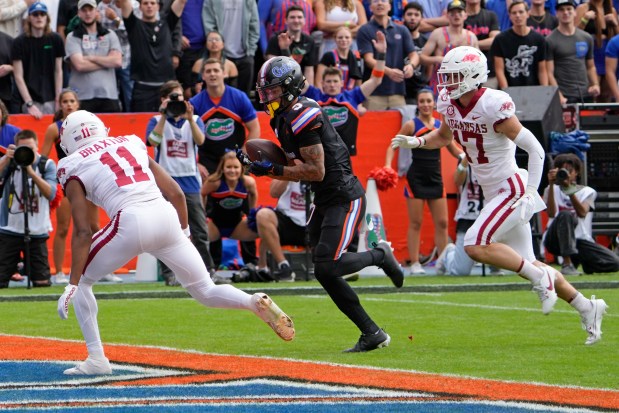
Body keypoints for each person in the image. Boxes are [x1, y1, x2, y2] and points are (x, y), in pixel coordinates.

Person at [391, 45, 608, 346]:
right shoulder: (450, 103)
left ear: (472, 76)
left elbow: (535, 149)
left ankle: (541, 280)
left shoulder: (493, 104)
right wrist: (416, 142)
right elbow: (443, 137)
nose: (448, 83)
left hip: (512, 187)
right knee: (529, 263)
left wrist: (532, 191)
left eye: (455, 76)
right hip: (494, 191)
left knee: (474, 243)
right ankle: (587, 306)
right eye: (447, 76)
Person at [55, 110, 295, 375]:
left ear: (68, 141)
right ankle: (253, 302)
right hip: (166, 215)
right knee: (205, 290)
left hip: (130, 219)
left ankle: (97, 359)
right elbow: (176, 193)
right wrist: (183, 233)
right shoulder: (129, 143)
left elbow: (82, 231)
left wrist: (72, 283)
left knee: (84, 283)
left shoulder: (71, 163)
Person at [241, 56, 404, 352]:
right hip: (325, 197)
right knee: (323, 268)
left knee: (328, 268)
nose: (267, 97)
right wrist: (261, 165)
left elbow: (317, 170)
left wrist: (272, 170)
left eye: (273, 90)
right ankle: (371, 332)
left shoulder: (304, 113)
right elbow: (296, 162)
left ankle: (380, 256)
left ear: (289, 88)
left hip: (343, 194)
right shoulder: (282, 117)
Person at [385, 88, 463, 275]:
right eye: (422, 101)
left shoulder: (440, 125)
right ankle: (414, 263)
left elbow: (454, 149)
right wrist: (388, 166)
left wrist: (468, 157)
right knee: (416, 223)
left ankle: (443, 262)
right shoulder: (412, 125)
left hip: (436, 178)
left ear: (434, 103)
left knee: (443, 223)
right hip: (416, 178)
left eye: (429, 100)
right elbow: (392, 144)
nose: (426, 104)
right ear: (417, 104)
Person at [146, 80, 216, 286]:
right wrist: (164, 115)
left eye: (179, 97)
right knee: (166, 229)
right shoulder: (155, 119)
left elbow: (201, 141)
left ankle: (207, 271)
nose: (176, 101)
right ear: (163, 100)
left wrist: (190, 119)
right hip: (166, 182)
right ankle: (169, 273)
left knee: (199, 229)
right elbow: (153, 141)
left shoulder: (194, 119)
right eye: (172, 98)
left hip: (190, 182)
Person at [40, 89, 107, 284]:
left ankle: (102, 269)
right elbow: (43, 160)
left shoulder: (89, 126)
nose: (69, 104)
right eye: (65, 101)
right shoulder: (54, 128)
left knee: (95, 227)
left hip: (88, 180)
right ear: (60, 105)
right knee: (63, 228)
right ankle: (60, 272)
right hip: (66, 185)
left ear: (78, 104)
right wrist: (50, 181)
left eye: (72, 101)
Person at [302, 30, 386, 156]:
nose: (332, 85)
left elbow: (376, 80)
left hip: (344, 157)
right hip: (319, 157)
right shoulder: (315, 96)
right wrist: (286, 51)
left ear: (341, 83)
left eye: (335, 81)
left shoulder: (352, 96)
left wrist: (381, 54)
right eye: (328, 81)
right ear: (322, 83)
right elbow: (296, 79)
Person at [543, 153, 619, 274]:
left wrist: (569, 190)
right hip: (554, 239)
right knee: (565, 214)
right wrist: (552, 184)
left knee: (614, 263)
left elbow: (582, 213)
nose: (566, 174)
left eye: (569, 170)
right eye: (562, 171)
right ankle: (567, 264)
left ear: (577, 172)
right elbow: (552, 214)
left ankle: (586, 264)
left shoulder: (588, 191)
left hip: (579, 240)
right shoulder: (550, 189)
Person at [0, 130, 57, 288]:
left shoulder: (46, 165)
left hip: (37, 231)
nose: (27, 153)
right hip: (9, 229)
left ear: (37, 146)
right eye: (23, 149)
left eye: (31, 149)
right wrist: (6, 158)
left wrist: (31, 172)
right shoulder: (9, 162)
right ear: (16, 148)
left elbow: (51, 193)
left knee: (42, 282)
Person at [434, 155, 504, 276]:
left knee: (498, 265)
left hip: (490, 216)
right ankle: (448, 254)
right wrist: (466, 159)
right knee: (460, 272)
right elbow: (457, 181)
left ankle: (494, 266)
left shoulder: (497, 155)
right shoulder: (464, 157)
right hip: (468, 217)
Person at [120, 0, 187, 112]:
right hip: (142, 88)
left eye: (152, 3)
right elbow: (124, 2)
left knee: (169, 125)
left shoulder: (167, 23)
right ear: (140, 7)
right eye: (145, 3)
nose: (149, 6)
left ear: (158, 6)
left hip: (167, 87)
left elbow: (181, 2)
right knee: (141, 126)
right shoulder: (133, 24)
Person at [356, 0, 419, 110]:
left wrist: (411, 66)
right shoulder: (364, 30)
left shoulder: (402, 29)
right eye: (375, 1)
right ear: (370, 8)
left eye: (384, 1)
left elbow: (414, 54)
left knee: (400, 127)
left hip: (397, 92)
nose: (380, 3)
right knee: (374, 127)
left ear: (390, 7)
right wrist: (389, 72)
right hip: (373, 93)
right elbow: (369, 60)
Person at [65, 0, 122, 113]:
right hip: (81, 97)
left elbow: (117, 61)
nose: (87, 13)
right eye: (84, 10)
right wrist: (106, 62)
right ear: (79, 13)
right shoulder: (72, 37)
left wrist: (90, 58)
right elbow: (79, 65)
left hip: (108, 95)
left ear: (96, 11)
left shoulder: (110, 34)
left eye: (90, 9)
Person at [12, 2, 64, 119]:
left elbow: (58, 71)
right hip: (30, 100)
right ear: (29, 18)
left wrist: (58, 98)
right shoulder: (19, 42)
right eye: (35, 14)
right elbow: (18, 76)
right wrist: (29, 103)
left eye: (42, 14)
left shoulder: (56, 39)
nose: (39, 17)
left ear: (47, 17)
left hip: (51, 99)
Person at [253, 180, 308, 282]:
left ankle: (335, 264)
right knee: (263, 215)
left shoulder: (321, 166)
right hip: (286, 219)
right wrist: (291, 170)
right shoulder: (288, 165)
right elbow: (274, 192)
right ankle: (282, 266)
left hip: (313, 220)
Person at [547, 0, 600, 105]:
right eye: (561, 10)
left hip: (586, 94)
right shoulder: (550, 40)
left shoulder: (586, 37)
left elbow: (590, 66)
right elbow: (549, 73)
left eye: (569, 9)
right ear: (556, 13)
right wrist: (558, 95)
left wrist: (595, 84)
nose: (566, 12)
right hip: (565, 95)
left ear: (575, 12)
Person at [202, 0, 260, 95]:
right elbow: (209, 26)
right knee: (223, 95)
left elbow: (254, 25)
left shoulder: (249, 1)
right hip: (221, 56)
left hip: (245, 55)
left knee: (244, 96)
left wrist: (251, 50)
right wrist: (217, 47)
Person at [201, 152, 258, 248]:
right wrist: (201, 215)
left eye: (236, 167)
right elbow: (202, 194)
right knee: (197, 237)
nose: (232, 170)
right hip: (215, 227)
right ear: (222, 168)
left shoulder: (248, 183)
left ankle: (262, 263)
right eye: (228, 167)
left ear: (241, 169)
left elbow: (254, 194)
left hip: (238, 227)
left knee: (265, 230)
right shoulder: (214, 182)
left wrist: (252, 213)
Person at [421, 0, 478, 96]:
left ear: (465, 15)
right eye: (452, 13)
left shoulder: (471, 37)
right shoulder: (438, 34)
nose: (456, 16)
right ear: (447, 16)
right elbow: (422, 57)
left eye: (459, 13)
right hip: (441, 86)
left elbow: (479, 63)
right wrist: (438, 59)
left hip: (465, 86)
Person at [491, 0, 549, 89]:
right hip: (510, 89)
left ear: (528, 14)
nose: (517, 15)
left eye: (521, 12)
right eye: (514, 13)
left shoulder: (539, 39)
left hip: (534, 89)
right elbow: (499, 70)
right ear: (509, 16)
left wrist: (545, 92)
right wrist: (507, 92)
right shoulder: (500, 39)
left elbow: (542, 71)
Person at [266, 5, 317, 87]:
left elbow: (309, 71)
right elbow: (272, 70)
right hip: (279, 86)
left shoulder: (309, 41)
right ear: (286, 20)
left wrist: (309, 93)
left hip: (301, 86)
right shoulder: (276, 39)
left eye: (299, 17)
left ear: (304, 21)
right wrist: (285, 49)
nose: (296, 20)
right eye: (292, 17)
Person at [315, 26, 363, 92]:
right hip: (330, 96)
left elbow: (358, 82)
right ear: (335, 39)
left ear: (351, 39)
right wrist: (321, 98)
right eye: (340, 37)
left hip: (349, 97)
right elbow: (319, 81)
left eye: (347, 37)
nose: (343, 40)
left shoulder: (356, 58)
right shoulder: (328, 56)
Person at [402, 2, 431, 105]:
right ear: (403, 17)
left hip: (421, 89)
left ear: (422, 18)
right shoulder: (398, 39)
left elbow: (429, 67)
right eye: (409, 14)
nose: (412, 18)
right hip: (402, 90)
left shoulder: (427, 41)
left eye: (416, 15)